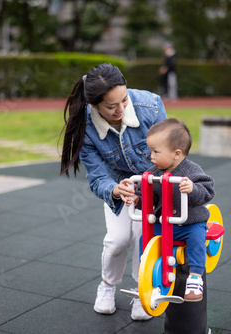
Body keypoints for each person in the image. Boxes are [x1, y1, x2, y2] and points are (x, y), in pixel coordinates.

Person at [60, 63, 168, 320]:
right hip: (119, 187)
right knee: (118, 240)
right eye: (111, 106)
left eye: (125, 99)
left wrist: (153, 186)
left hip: (153, 185)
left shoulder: (151, 106)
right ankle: (107, 285)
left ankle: (141, 289)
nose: (121, 109)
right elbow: (97, 177)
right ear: (94, 105)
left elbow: (169, 154)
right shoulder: (84, 126)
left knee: (146, 239)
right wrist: (116, 190)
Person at [124, 118, 215, 302]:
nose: (152, 156)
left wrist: (193, 189)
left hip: (189, 224)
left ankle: (195, 277)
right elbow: (149, 197)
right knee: (145, 240)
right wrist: (137, 199)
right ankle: (147, 275)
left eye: (156, 152)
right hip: (164, 224)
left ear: (177, 153)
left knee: (197, 238)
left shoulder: (191, 171)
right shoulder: (154, 173)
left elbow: (208, 191)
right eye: (151, 151)